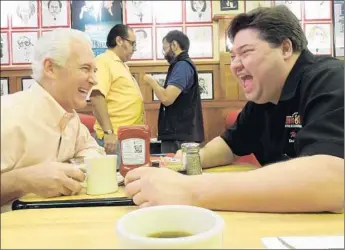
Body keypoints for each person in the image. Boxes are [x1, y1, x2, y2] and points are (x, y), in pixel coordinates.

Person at [125, 5, 344, 213]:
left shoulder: (331, 79)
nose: (235, 65)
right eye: (232, 56)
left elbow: (332, 181)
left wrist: (188, 190)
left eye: (246, 52)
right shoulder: (264, 98)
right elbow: (229, 145)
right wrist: (184, 162)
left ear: (285, 48)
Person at [1, 28, 105, 212]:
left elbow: (91, 150)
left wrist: (73, 167)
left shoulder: (72, 120)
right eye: (85, 68)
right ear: (50, 68)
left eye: (94, 70)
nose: (94, 80)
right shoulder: (7, 115)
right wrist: (24, 180)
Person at [142, 30, 204, 153]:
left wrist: (151, 81)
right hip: (180, 135)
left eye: (165, 49)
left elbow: (167, 99)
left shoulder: (182, 66)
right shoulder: (181, 65)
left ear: (174, 45)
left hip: (180, 138)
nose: (164, 54)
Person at [90, 24, 144, 158]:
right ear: (119, 41)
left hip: (130, 137)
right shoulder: (103, 60)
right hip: (114, 139)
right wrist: (108, 132)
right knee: (115, 177)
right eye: (132, 44)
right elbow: (97, 96)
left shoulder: (122, 65)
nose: (134, 49)